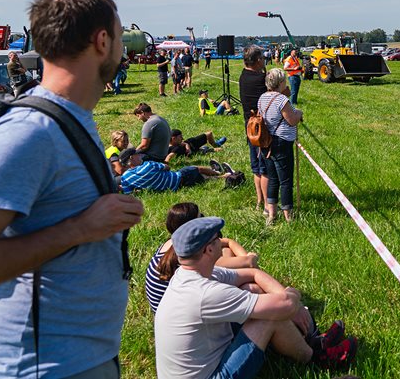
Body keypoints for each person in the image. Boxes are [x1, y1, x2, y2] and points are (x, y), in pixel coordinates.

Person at [0, 0, 144, 378]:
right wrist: (80, 228)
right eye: (121, 35)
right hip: (45, 365)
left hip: (82, 357)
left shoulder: (71, 118)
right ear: (102, 40)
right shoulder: (30, 132)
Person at [154, 217, 357, 378]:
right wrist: (292, 297)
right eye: (218, 239)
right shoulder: (205, 293)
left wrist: (286, 303)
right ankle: (316, 358)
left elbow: (252, 274)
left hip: (205, 361)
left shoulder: (191, 274)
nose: (222, 242)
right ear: (208, 249)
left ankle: (312, 341)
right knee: (268, 318)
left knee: (253, 290)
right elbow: (284, 304)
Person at [145, 202, 258, 314]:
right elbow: (249, 262)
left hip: (166, 312)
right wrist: (249, 257)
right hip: (184, 312)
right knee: (251, 287)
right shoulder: (197, 254)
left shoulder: (175, 244)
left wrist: (242, 258)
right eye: (202, 217)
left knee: (226, 251)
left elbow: (227, 242)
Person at [258, 68, 303, 224]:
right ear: (280, 82)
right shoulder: (282, 100)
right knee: (285, 181)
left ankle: (271, 214)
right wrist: (299, 113)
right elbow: (291, 120)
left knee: (273, 179)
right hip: (281, 142)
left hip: (266, 143)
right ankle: (288, 216)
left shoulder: (262, 97)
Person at [239, 45, 269, 214]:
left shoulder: (244, 76)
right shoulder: (260, 80)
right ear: (258, 60)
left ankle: (259, 200)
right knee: (265, 168)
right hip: (261, 129)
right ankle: (266, 205)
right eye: (263, 58)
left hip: (249, 126)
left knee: (256, 167)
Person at [118, 148, 228, 194]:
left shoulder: (125, 178)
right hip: (179, 177)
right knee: (196, 168)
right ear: (132, 158)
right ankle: (218, 173)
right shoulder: (148, 165)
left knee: (201, 178)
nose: (140, 155)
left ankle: (218, 175)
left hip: (170, 188)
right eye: (137, 154)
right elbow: (167, 167)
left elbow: (130, 193)